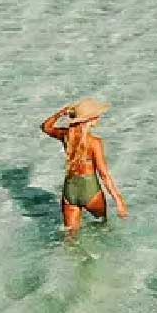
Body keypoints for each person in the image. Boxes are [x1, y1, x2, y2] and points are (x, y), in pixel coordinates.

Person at [40, 98, 129, 235]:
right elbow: (104, 174)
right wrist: (119, 201)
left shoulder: (66, 136)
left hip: (70, 190)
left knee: (71, 237)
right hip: (90, 190)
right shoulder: (95, 142)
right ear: (90, 119)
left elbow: (45, 127)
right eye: (97, 115)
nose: (99, 118)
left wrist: (61, 113)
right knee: (102, 228)